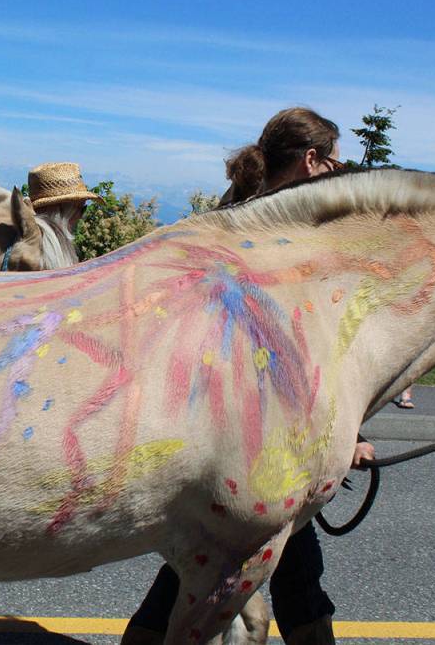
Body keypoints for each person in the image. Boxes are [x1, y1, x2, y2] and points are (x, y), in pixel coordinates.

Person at [122, 107, 373, 645]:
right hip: (264, 445)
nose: (337, 170)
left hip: (210, 433)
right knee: (290, 579)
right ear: (311, 161)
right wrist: (346, 434)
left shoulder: (229, 220)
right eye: (333, 160)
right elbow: (304, 352)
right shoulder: (287, 242)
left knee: (201, 572)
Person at [26, 161, 103, 245]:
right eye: (82, 210)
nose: (81, 217)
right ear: (62, 212)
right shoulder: (46, 249)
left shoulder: (31, 240)